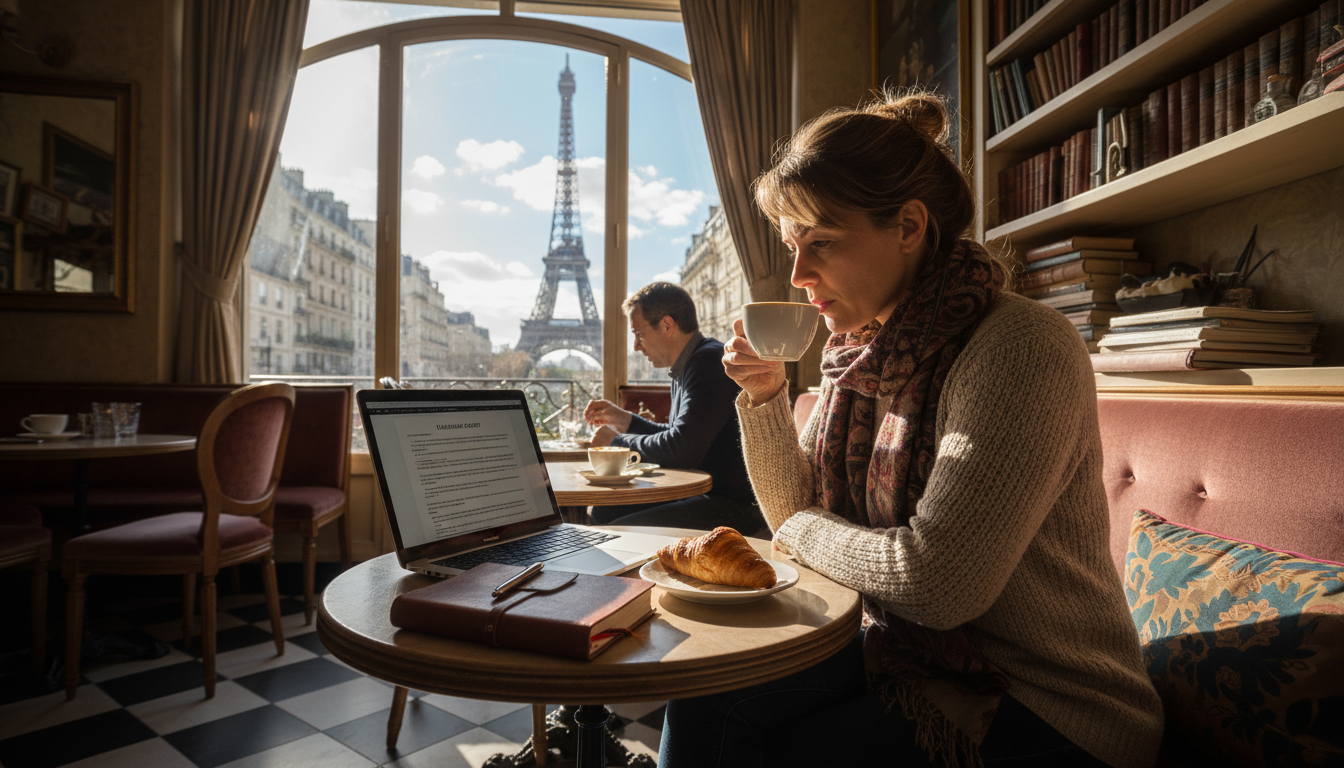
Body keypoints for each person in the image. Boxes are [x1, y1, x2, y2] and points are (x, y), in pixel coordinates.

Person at [658, 92, 1162, 768]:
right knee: (702, 696)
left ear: (908, 226)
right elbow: (791, 505)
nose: (800, 275)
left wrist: (799, 529)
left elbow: (939, 583)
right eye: (791, 246)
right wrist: (768, 395)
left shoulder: (1020, 345)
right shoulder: (859, 356)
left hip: (1048, 701)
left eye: (822, 243)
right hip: (902, 654)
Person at [582, 282, 762, 532]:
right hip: (711, 493)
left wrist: (618, 444)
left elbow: (682, 448)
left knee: (614, 530)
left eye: (639, 334)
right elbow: (680, 434)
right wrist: (626, 420)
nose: (636, 345)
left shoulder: (708, 362)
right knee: (606, 509)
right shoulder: (692, 362)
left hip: (737, 505)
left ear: (667, 325)